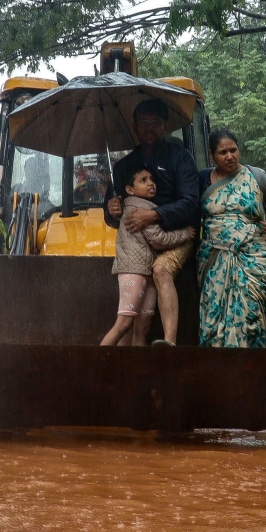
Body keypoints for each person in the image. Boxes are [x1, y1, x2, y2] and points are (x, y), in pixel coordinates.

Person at [104, 98, 200, 346]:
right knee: (135, 315)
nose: (149, 127)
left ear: (166, 126)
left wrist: (155, 215)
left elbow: (191, 203)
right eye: (143, 122)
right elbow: (113, 212)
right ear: (134, 127)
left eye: (155, 122)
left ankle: (169, 343)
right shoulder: (124, 166)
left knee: (160, 269)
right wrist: (111, 209)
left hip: (176, 234)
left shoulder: (181, 158)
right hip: (140, 245)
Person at [198, 129, 266, 348]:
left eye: (233, 150)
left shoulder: (258, 177)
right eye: (223, 152)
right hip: (215, 257)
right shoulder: (202, 180)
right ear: (212, 155)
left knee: (250, 311)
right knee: (213, 314)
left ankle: (250, 367)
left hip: (253, 255)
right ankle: (216, 367)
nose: (229, 156)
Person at [101, 167, 195, 346]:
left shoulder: (145, 206)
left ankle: (136, 369)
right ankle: (96, 363)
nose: (151, 183)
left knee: (142, 326)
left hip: (145, 271)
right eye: (143, 180)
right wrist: (185, 234)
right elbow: (159, 239)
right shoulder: (138, 209)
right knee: (124, 323)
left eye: (151, 179)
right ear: (130, 189)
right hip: (133, 271)